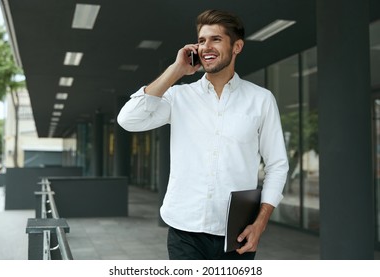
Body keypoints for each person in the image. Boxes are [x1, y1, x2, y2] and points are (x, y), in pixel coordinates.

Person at [118, 9, 288, 260]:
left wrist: (260, 223)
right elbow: (128, 119)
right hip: (184, 231)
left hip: (236, 233)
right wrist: (176, 71)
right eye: (201, 40)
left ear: (237, 46)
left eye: (216, 39)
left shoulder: (261, 100)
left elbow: (277, 165)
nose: (206, 46)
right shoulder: (179, 97)